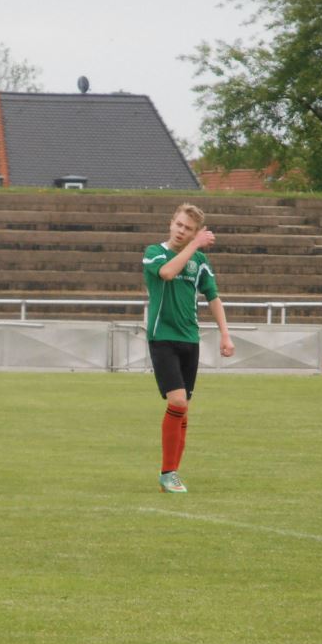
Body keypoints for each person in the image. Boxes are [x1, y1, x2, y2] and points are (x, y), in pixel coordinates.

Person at [142, 203, 235, 493]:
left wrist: (225, 335)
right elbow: (167, 273)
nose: (182, 231)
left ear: (195, 232)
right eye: (179, 225)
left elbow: (213, 297)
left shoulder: (200, 262)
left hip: (189, 340)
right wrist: (195, 245)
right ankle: (168, 473)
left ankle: (172, 472)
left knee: (183, 409)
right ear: (171, 223)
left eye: (189, 229)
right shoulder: (154, 253)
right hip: (162, 338)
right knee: (178, 403)